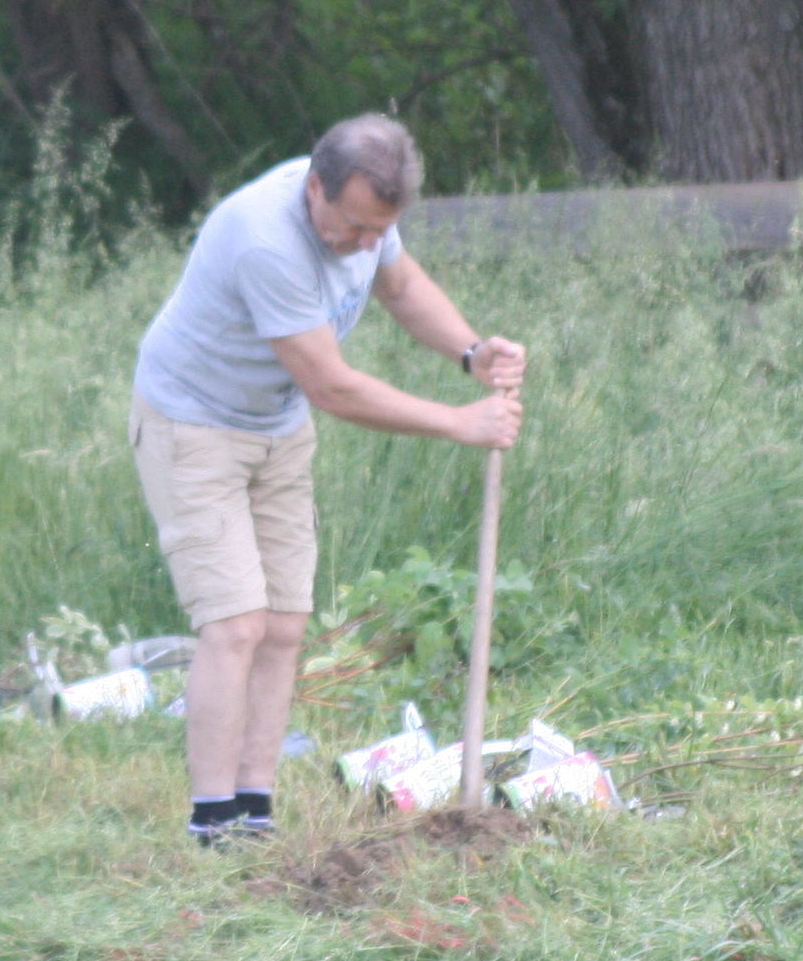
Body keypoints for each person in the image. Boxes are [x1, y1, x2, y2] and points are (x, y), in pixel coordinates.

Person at [130, 113, 522, 846]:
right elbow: (332, 388)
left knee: (283, 626)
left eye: (380, 229)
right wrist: (459, 421)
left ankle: (255, 812)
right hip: (193, 424)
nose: (367, 245)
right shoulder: (264, 240)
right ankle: (211, 824)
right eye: (354, 227)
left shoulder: (367, 214)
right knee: (235, 624)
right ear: (315, 188)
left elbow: (401, 287)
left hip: (274, 426)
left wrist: (471, 353)